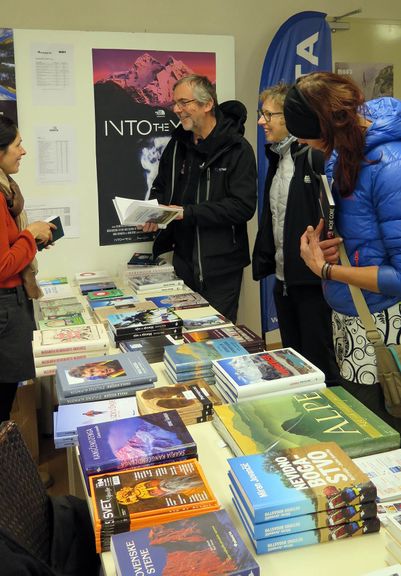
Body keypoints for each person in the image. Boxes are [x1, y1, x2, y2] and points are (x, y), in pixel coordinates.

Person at [283, 71, 401, 427]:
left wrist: (326, 269)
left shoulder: (389, 167)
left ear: (328, 128)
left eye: (313, 141)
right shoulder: (344, 153)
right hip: (352, 317)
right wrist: (334, 249)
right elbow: (369, 239)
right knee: (365, 424)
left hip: (385, 324)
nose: (312, 148)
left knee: (383, 431)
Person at [143, 74, 257, 323]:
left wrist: (188, 212)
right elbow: (161, 186)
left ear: (207, 105)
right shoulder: (177, 145)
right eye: (175, 103)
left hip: (220, 266)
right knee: (185, 338)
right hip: (183, 261)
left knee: (216, 338)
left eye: (184, 103)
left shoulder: (237, 149)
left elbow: (243, 207)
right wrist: (153, 211)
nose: (177, 109)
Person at [252, 82, 342, 386]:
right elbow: (275, 218)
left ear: (291, 117)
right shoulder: (278, 158)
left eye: (268, 114)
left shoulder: (317, 158)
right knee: (293, 366)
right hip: (283, 279)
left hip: (313, 283)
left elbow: (332, 216)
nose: (261, 122)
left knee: (320, 367)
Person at [0, 116, 55, 423]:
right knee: (2, 403)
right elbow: (2, 266)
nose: (23, 151)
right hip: (5, 308)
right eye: (18, 145)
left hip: (10, 305)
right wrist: (29, 235)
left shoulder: (7, 190)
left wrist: (34, 240)